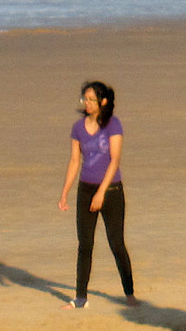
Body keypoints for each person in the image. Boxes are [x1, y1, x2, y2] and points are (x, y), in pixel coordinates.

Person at [56, 80, 136, 308]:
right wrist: (65, 193)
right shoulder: (78, 128)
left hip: (111, 190)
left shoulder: (113, 125)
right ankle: (80, 298)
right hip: (85, 189)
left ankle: (129, 295)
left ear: (102, 101)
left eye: (91, 99)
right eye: (85, 99)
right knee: (85, 244)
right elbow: (74, 161)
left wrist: (101, 193)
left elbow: (115, 161)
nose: (87, 103)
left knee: (116, 242)